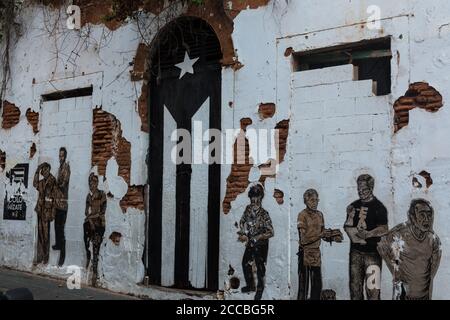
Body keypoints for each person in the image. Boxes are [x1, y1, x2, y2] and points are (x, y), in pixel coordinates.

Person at [377, 199, 441, 300]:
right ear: (412, 217)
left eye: (429, 215)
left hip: (424, 296)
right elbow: (381, 246)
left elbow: (431, 274)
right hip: (403, 295)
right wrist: (395, 271)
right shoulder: (399, 233)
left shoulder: (433, 240)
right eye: (422, 214)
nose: (426, 219)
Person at [344, 174, 388, 300]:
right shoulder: (354, 205)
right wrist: (350, 216)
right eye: (359, 189)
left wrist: (368, 234)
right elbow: (347, 226)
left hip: (372, 255)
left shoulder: (379, 207)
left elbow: (384, 229)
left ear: (371, 188)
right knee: (355, 290)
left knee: (373, 291)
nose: (361, 192)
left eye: (364, 190)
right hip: (355, 254)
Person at [297, 189, 342, 300]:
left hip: (316, 254)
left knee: (317, 287)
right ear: (306, 201)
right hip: (305, 254)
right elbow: (303, 239)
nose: (315, 202)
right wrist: (321, 234)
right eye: (312, 200)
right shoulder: (302, 215)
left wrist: (332, 236)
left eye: (317, 200)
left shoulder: (320, 215)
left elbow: (322, 234)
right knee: (304, 288)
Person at [237, 184, 274, 300]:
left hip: (261, 244)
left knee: (260, 267)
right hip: (250, 242)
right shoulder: (248, 209)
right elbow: (242, 220)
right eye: (252, 197)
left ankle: (260, 289)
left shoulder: (264, 214)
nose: (253, 199)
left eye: (256, 197)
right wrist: (243, 231)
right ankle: (250, 285)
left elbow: (271, 232)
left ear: (260, 197)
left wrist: (258, 237)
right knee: (244, 263)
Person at [83, 173, 107, 286]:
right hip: (90, 224)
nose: (91, 185)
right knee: (87, 243)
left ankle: (95, 272)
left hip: (99, 225)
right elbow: (85, 211)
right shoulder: (88, 196)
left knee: (96, 247)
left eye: (94, 182)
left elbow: (101, 212)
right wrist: (90, 220)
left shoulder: (102, 195)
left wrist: (91, 218)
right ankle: (88, 258)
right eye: (90, 183)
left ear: (97, 183)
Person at [33, 162, 56, 265]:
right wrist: (37, 169)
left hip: (47, 211)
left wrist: (53, 213)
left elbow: (55, 198)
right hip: (40, 210)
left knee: (46, 235)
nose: (44, 172)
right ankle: (41, 256)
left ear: (49, 170)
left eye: (46, 170)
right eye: (43, 171)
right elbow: (34, 183)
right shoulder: (41, 182)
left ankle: (46, 257)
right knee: (41, 234)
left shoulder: (52, 180)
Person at [52, 147, 71, 267]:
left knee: (61, 229)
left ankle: (63, 255)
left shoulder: (66, 168)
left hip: (63, 204)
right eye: (59, 156)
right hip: (57, 203)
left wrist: (56, 183)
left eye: (62, 156)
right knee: (56, 227)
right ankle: (58, 244)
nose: (60, 158)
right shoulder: (60, 168)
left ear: (65, 156)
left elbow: (64, 183)